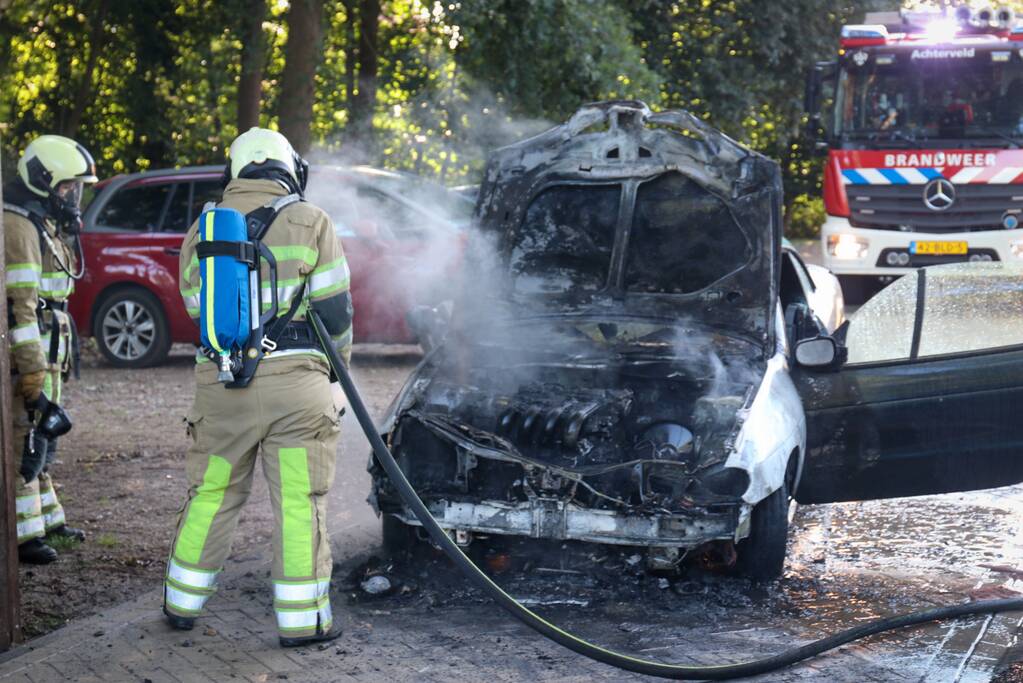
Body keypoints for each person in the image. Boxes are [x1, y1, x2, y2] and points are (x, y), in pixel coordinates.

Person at [164, 128, 353, 647]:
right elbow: (336, 313)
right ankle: (303, 622)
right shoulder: (312, 220)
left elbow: (197, 311)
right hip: (297, 393)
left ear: (235, 171)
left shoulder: (201, 230)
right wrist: (336, 377)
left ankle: (180, 602)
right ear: (291, 169)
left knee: (212, 493)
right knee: (297, 500)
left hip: (222, 389)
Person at [4, 135, 95, 563]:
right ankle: (23, 536)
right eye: (67, 188)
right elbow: (19, 306)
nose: (73, 197)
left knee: (44, 434)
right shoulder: (17, 225)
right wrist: (31, 370)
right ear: (43, 182)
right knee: (26, 436)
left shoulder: (43, 223)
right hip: (34, 349)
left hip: (51, 347)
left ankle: (47, 519)